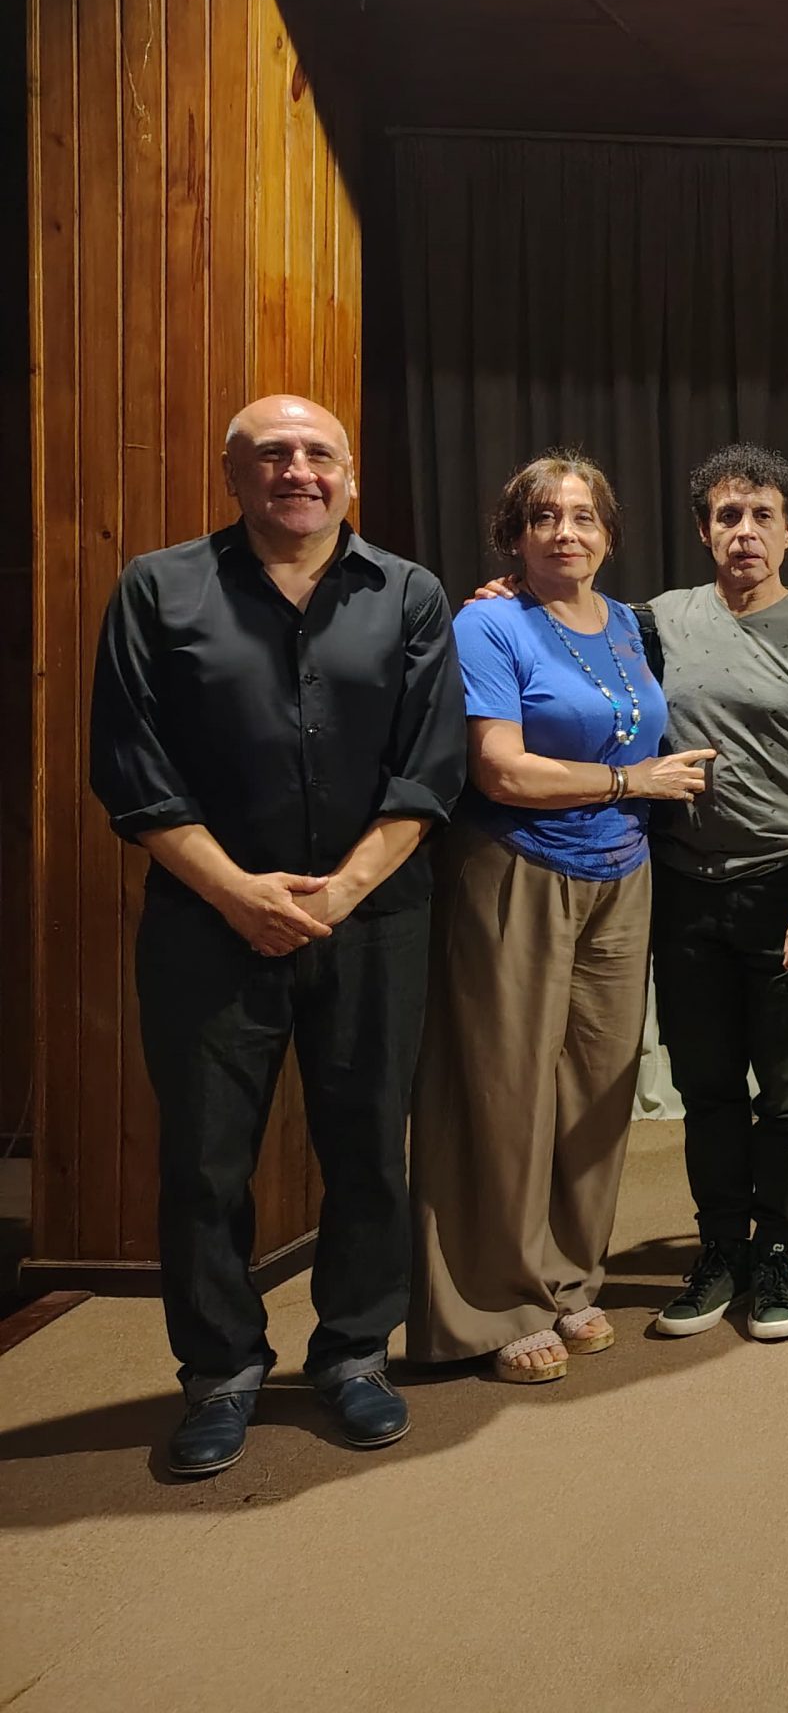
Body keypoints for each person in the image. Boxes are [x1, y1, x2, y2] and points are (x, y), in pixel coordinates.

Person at [88, 395, 466, 1477]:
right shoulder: (157, 587)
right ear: (232, 474)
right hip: (205, 925)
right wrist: (237, 895)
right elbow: (130, 767)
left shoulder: (409, 593)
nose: (297, 470)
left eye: (317, 453)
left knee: (368, 1149)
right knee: (205, 1164)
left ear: (349, 474)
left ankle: (353, 1355)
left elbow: (430, 767)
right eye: (272, 454)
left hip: (373, 921)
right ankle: (218, 1372)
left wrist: (335, 896)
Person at [410, 453, 715, 1385]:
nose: (565, 532)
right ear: (514, 534)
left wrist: (633, 795)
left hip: (621, 878)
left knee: (595, 1092)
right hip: (515, 871)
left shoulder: (627, 624)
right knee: (503, 1093)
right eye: (543, 517)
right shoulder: (489, 623)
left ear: (608, 534)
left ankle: (568, 1278)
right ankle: (495, 1303)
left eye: (583, 516)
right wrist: (632, 781)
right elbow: (499, 769)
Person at [640, 446, 788, 1344]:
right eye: (728, 516)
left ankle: (777, 1251)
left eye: (762, 515)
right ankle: (719, 1251)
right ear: (705, 531)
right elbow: (569, 629)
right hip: (685, 893)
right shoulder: (657, 621)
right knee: (705, 1089)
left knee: (786, 1093)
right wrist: (507, 595)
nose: (745, 532)